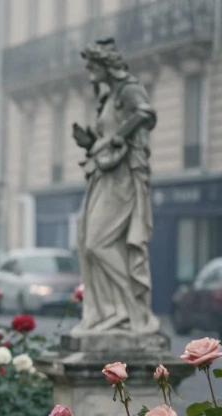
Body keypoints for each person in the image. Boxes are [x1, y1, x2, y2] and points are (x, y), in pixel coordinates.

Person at [70, 38, 159, 336]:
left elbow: (147, 113)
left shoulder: (128, 89)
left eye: (92, 66)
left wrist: (121, 134)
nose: (89, 72)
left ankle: (130, 311)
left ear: (106, 65)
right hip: (103, 175)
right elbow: (106, 141)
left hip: (123, 178)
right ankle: (106, 311)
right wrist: (91, 143)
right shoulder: (107, 96)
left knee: (99, 242)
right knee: (87, 241)